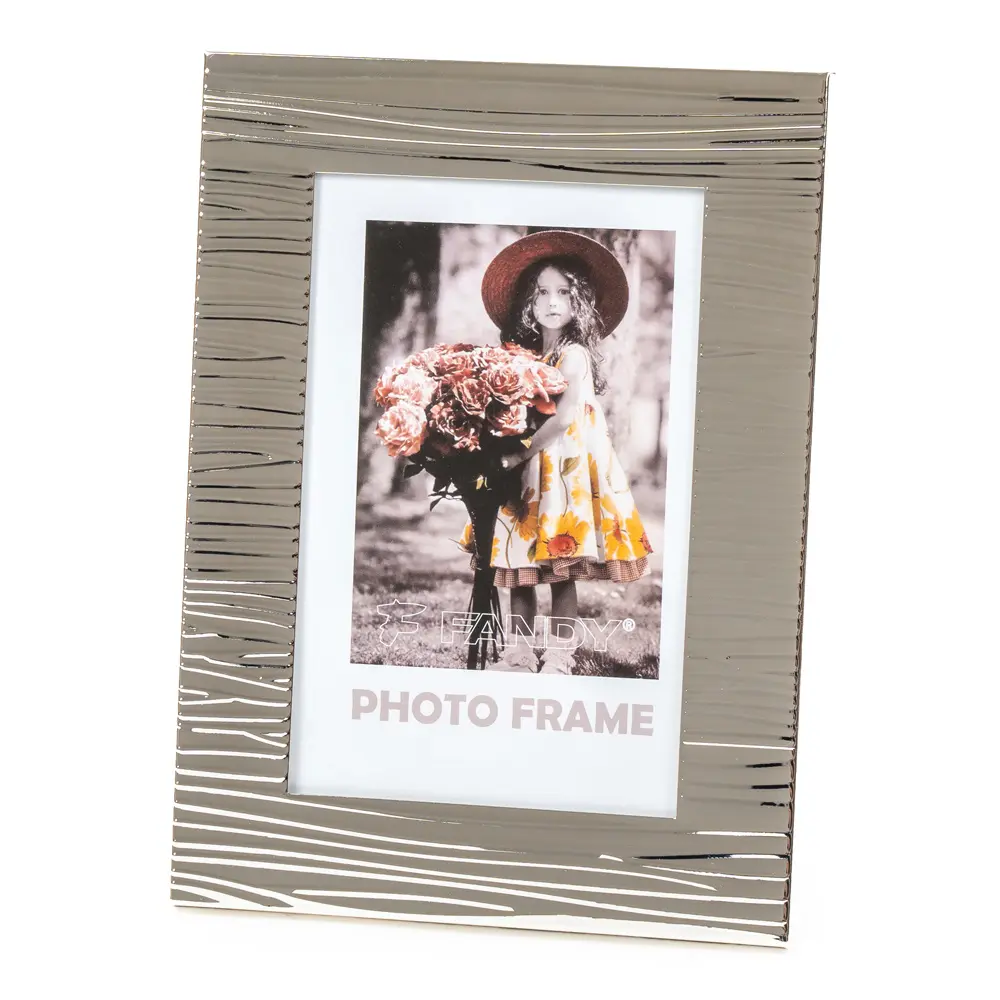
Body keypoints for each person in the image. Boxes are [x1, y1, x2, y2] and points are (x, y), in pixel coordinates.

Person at [460, 230, 653, 674]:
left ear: (578, 301)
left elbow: (564, 419)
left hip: (560, 472)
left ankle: (560, 655)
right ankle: (520, 654)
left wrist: (517, 454)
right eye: (542, 292)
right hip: (526, 475)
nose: (552, 302)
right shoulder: (525, 357)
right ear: (528, 301)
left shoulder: (574, 355)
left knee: (560, 567)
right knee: (520, 564)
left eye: (563, 292)